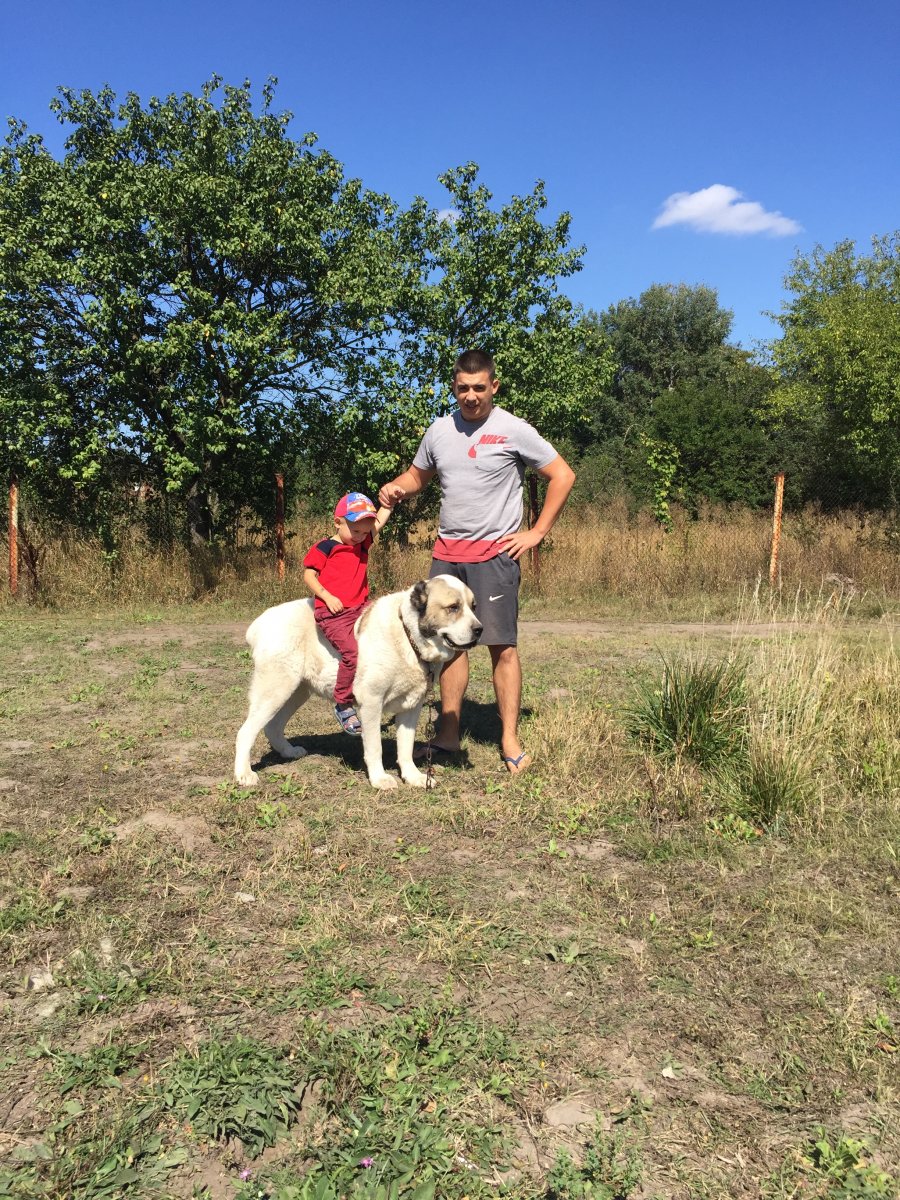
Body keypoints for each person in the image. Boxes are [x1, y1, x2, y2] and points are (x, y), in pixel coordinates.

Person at [378, 349, 575, 774]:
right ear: (454, 387)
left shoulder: (513, 430)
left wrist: (537, 532)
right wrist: (397, 487)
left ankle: (509, 738)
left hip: (494, 557)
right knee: (449, 646)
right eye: (463, 388)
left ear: (494, 386)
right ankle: (448, 735)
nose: (471, 396)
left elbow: (563, 475)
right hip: (447, 556)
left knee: (502, 647)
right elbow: (417, 476)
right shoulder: (439, 430)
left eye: (479, 388)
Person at [303, 491, 393, 734]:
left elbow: (379, 523)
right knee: (352, 652)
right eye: (355, 531)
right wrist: (327, 596)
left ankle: (375, 688)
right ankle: (343, 703)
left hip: (360, 608)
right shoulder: (325, 547)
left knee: (384, 634)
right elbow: (309, 575)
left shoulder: (361, 543)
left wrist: (389, 504)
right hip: (333, 613)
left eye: (365, 532)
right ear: (337, 522)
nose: (361, 537)